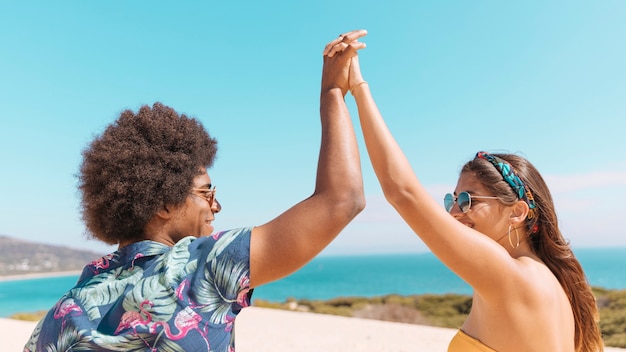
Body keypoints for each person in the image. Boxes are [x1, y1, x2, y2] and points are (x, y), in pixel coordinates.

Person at [24, 31, 367, 352]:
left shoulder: (61, 314)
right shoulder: (198, 267)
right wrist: (332, 93)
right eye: (205, 193)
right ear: (164, 202)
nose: (215, 207)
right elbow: (342, 200)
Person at [326, 30, 604, 352]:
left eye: (467, 200)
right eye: (451, 200)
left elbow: (402, 191)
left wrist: (355, 89)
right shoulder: (556, 288)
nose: (454, 212)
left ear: (516, 212)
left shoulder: (507, 277)